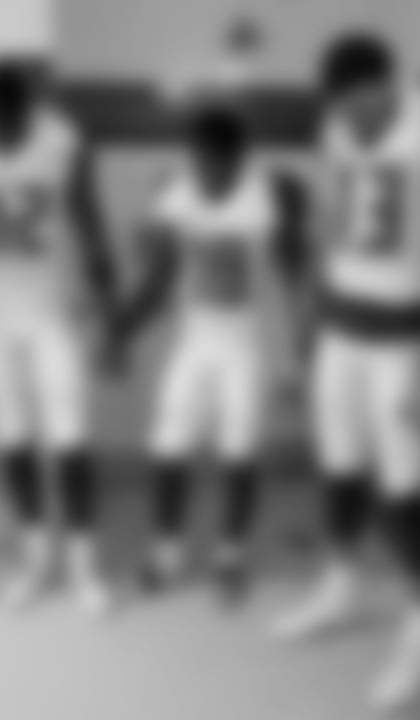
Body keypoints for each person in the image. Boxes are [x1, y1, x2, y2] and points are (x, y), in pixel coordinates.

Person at [269, 31, 420, 712]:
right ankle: (341, 585)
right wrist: (303, 321)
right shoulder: (334, 130)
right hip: (341, 332)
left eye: (362, 103)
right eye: (341, 106)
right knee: (340, 469)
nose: (352, 117)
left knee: (407, 492)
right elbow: (325, 228)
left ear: (389, 83)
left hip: (403, 340)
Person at [0, 56, 121, 617]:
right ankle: (35, 557)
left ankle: (84, 566)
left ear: (29, 113)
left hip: (53, 314)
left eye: (4, 124)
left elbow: (92, 223)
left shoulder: (63, 142)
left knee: (71, 442)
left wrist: (109, 316)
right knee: (13, 441)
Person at [116, 105, 306, 607]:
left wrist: (295, 358)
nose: (207, 175)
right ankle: (166, 551)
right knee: (167, 445)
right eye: (199, 163)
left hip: (249, 341)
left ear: (240, 160)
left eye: (218, 166)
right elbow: (157, 280)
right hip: (195, 339)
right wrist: (120, 329)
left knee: (240, 452)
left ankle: (231, 555)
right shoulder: (175, 194)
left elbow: (293, 280)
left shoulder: (270, 196)